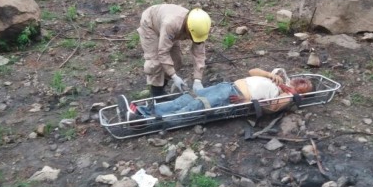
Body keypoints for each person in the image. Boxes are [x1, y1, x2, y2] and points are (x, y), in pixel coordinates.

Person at [133, 68, 313, 118]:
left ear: (300, 92)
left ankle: (148, 121)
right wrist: (269, 75)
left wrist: (247, 102)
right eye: (300, 80)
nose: (300, 81)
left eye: (302, 85)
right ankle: (145, 110)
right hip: (227, 86)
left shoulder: (286, 96)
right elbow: (252, 71)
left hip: (232, 97)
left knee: (194, 108)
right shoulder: (277, 79)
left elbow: (270, 108)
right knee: (188, 98)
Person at [137, 4, 211, 97]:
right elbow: (163, 53)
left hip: (168, 29)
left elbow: (199, 54)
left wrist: (198, 79)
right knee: (155, 63)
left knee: (176, 60)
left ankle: (163, 83)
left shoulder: (199, 26)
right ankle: (156, 93)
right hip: (151, 24)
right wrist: (174, 77)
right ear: (188, 28)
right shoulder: (171, 24)